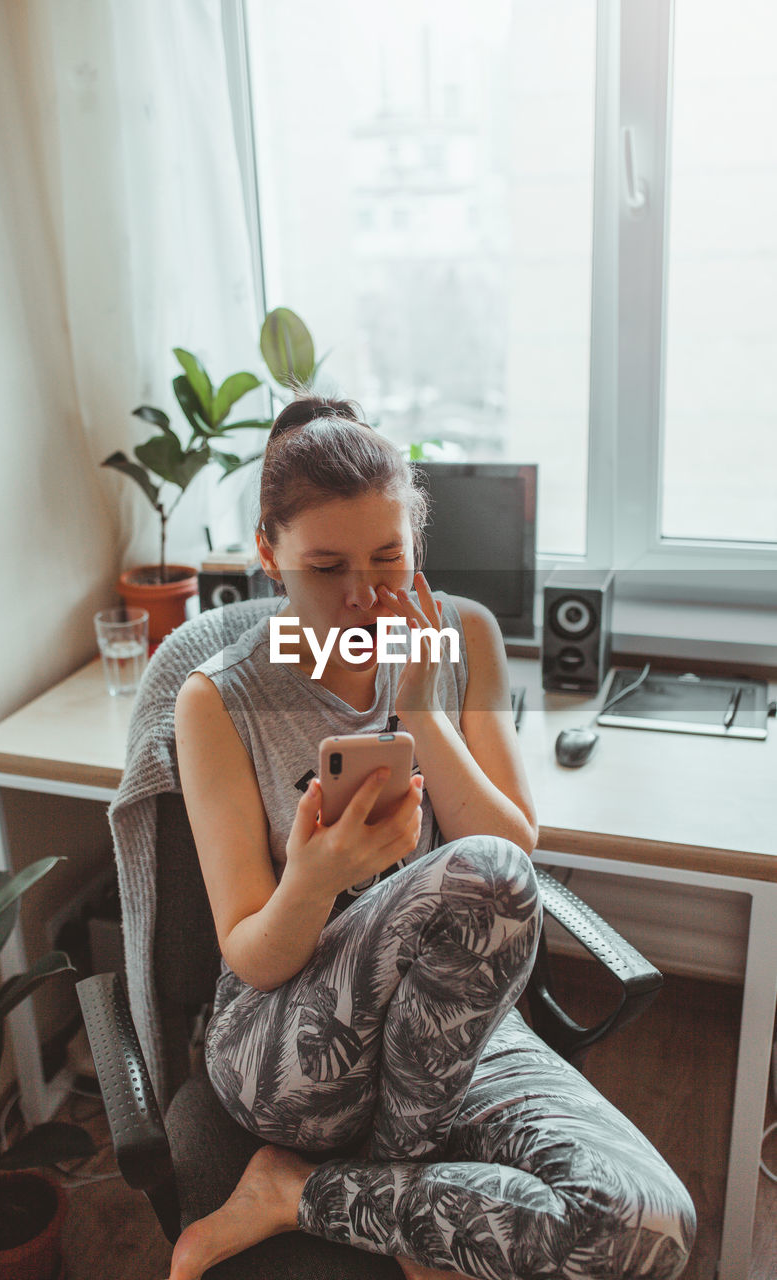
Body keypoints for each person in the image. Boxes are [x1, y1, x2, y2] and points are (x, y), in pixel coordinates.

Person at [168, 397, 695, 1280]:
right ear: (268, 554)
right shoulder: (219, 699)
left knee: (649, 1225)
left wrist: (420, 709)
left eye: (387, 559)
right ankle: (406, 1197)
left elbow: (514, 853)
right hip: (290, 1048)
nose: (361, 595)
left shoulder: (463, 637)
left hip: (451, 1035)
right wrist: (314, 879)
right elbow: (251, 958)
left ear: (416, 547)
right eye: (325, 565)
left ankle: (312, 1196)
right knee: (481, 873)